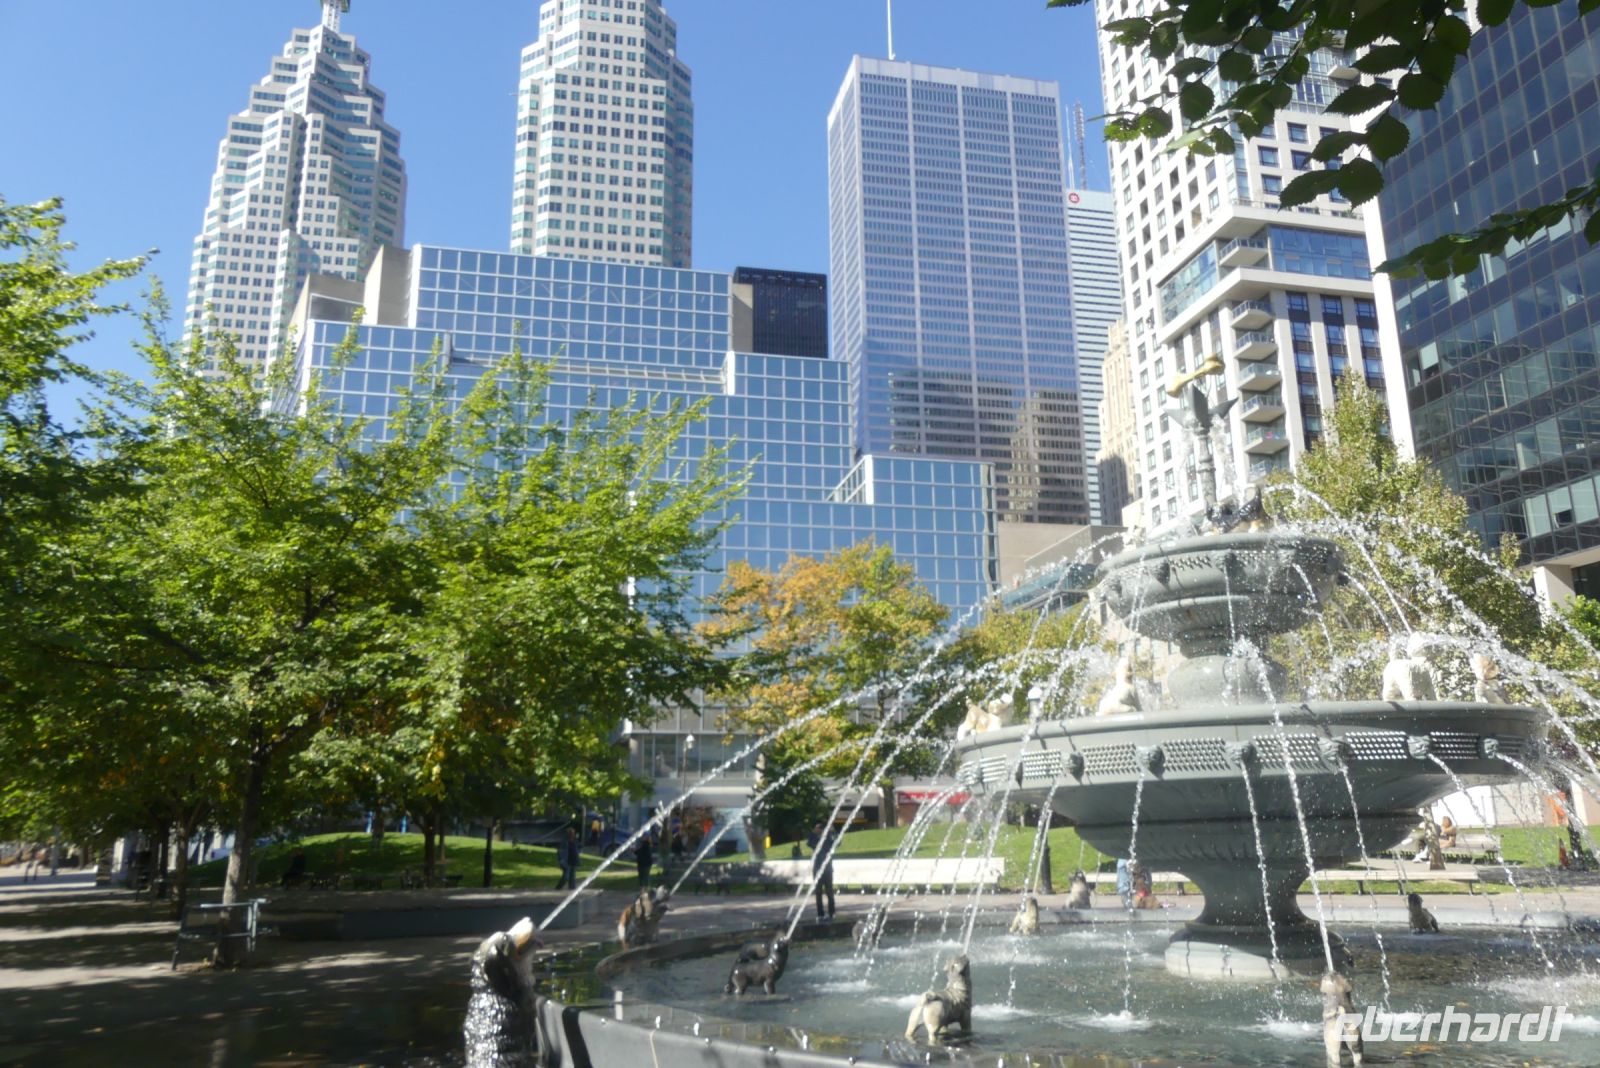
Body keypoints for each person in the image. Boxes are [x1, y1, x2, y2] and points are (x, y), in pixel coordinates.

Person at [807, 821, 836, 921]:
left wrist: (832, 832)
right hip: (817, 869)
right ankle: (820, 913)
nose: (819, 830)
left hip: (827, 870)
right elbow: (809, 842)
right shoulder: (815, 840)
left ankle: (832, 912)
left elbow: (838, 842)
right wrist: (813, 832)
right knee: (818, 893)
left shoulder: (829, 839)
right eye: (817, 828)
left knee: (829, 892)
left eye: (820, 828)